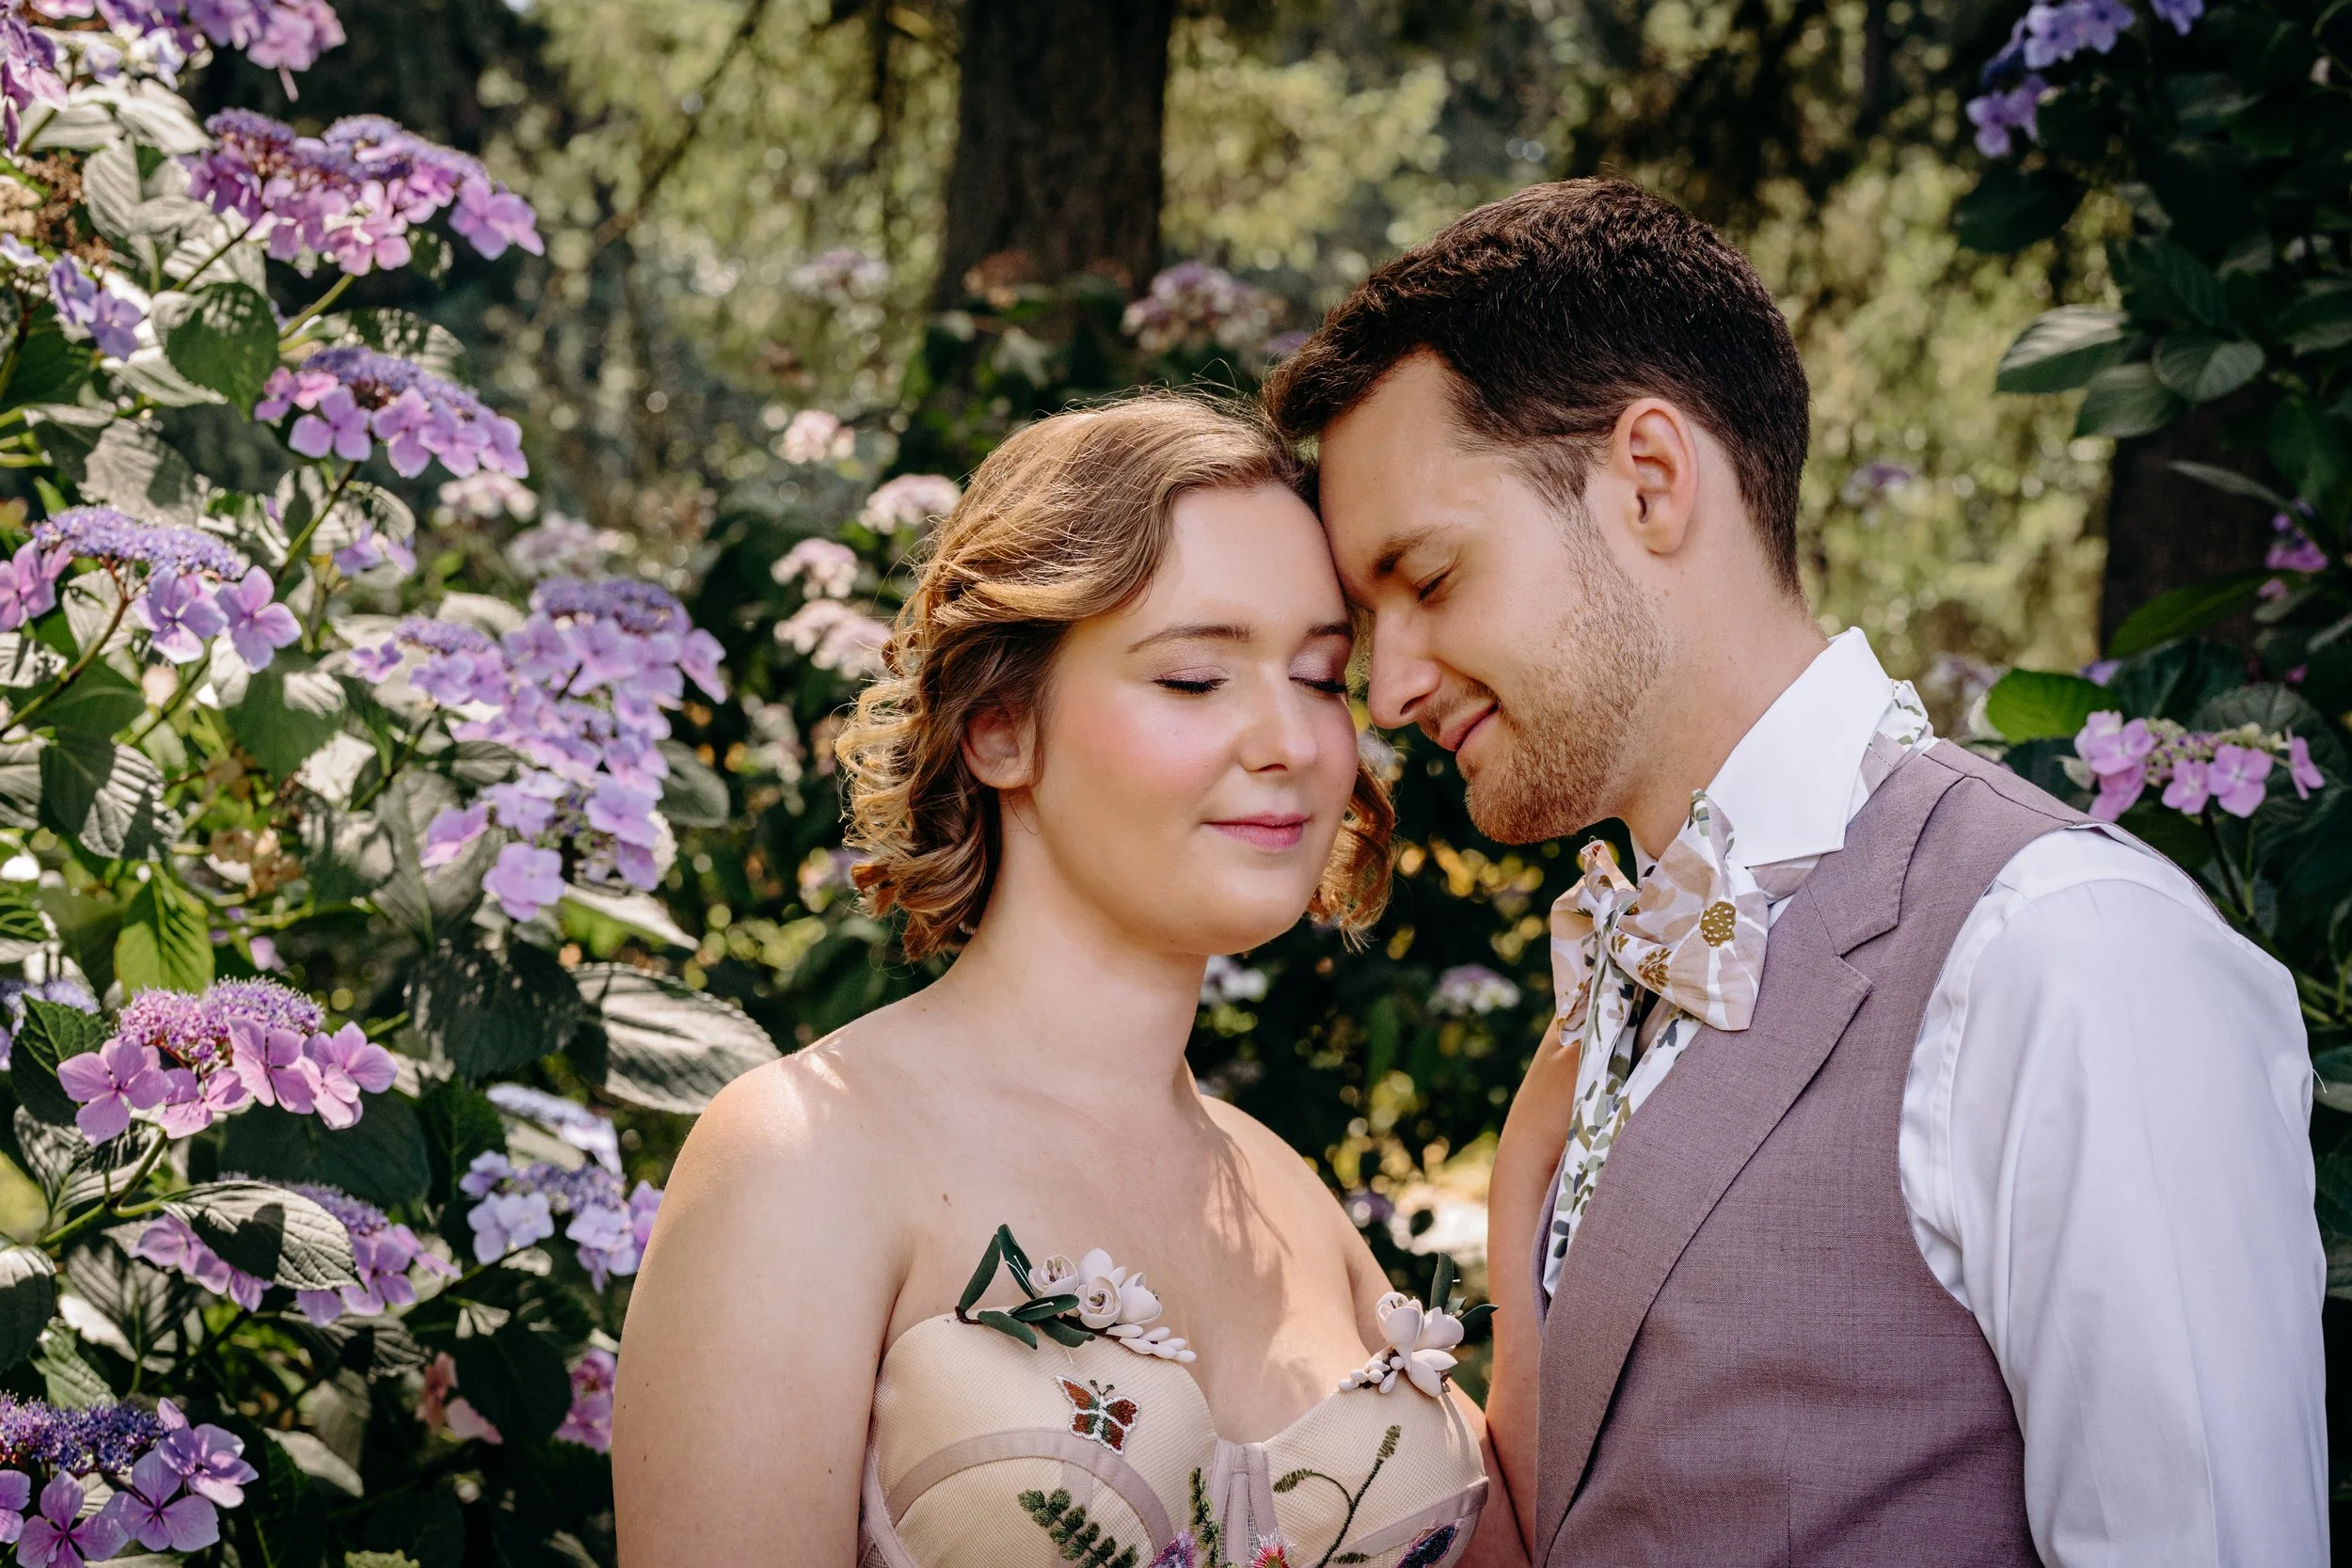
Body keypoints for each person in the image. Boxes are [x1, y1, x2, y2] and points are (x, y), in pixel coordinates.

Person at [1264, 178, 2327, 1567]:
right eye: (1365, 622)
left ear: (1648, 480)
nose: (1387, 688)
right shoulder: (1609, 983)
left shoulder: (2061, 952)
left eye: (1430, 576)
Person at [612, 395, 1520, 1568]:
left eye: (1317, 675)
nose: (1290, 741)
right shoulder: (804, 1156)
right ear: (998, 728)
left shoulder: (1290, 1195)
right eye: (1195, 678)